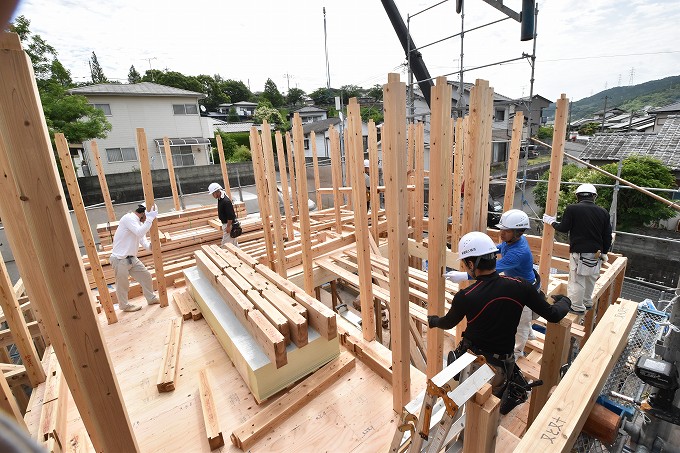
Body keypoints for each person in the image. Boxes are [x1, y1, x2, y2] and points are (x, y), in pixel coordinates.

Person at [429, 231, 571, 397]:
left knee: (470, 402)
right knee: (492, 403)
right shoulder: (521, 286)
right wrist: (565, 301)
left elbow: (448, 323)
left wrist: (433, 321)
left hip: (473, 364)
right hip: (502, 367)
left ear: (471, 264)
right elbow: (553, 315)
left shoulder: (466, 296)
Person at [542, 183, 612, 314]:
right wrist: (605, 252)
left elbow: (563, 228)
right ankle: (586, 302)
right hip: (596, 253)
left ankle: (576, 307)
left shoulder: (572, 209)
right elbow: (607, 235)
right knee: (590, 277)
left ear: (578, 196)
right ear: (594, 197)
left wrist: (551, 221)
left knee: (577, 280)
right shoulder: (603, 212)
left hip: (580, 252)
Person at [109, 203, 160, 312]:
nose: (150, 220)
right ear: (144, 213)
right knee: (123, 284)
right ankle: (124, 305)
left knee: (146, 276)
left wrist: (152, 246)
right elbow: (139, 232)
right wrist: (149, 219)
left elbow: (143, 240)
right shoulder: (129, 218)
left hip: (131, 258)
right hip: (120, 259)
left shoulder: (139, 223)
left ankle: (151, 298)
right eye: (149, 216)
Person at [209, 182, 238, 247]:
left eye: (213, 194)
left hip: (228, 225)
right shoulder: (221, 199)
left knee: (225, 245)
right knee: (234, 244)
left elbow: (230, 215)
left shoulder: (225, 201)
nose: (212, 195)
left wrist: (228, 226)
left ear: (217, 192)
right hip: (227, 224)